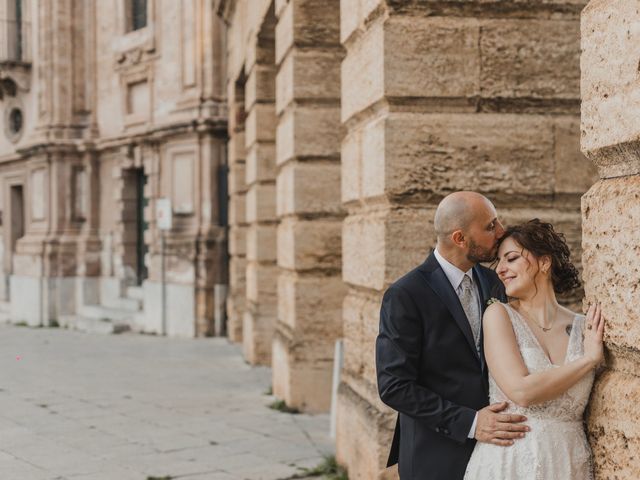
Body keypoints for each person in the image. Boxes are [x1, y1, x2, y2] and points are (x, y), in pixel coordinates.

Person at [376, 192, 529, 480]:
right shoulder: (405, 295)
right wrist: (471, 422)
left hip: (498, 452)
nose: (501, 231)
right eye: (490, 226)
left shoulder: (495, 282)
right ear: (459, 238)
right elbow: (394, 385)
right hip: (435, 455)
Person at [464, 219, 604, 479]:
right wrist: (588, 360)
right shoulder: (498, 315)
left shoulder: (585, 327)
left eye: (512, 258)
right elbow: (522, 391)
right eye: (499, 262)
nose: (501, 270)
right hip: (510, 462)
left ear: (544, 262)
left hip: (569, 463)